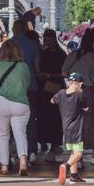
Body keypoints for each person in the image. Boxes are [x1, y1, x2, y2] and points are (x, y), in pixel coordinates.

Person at [60, 29, 94, 169]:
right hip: (88, 91)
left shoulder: (73, 55)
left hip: (73, 91)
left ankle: (77, 159)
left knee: (76, 124)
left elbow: (63, 72)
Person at [0, 39, 32, 177]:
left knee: (3, 135)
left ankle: (4, 166)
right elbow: (27, 84)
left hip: (1, 102)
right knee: (20, 134)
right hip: (20, 103)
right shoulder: (24, 66)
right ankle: (23, 162)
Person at [12, 17, 40, 164]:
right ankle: (32, 151)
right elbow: (37, 68)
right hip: (31, 86)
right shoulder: (32, 44)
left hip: (13, 89)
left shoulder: (8, 45)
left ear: (13, 29)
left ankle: (18, 152)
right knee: (31, 120)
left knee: (14, 121)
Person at [37, 27, 66, 158]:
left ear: (54, 39)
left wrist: (48, 75)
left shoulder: (61, 55)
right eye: (45, 40)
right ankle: (45, 142)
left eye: (49, 40)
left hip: (55, 89)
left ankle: (55, 145)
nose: (46, 42)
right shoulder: (43, 53)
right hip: (44, 90)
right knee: (44, 117)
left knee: (56, 118)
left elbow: (64, 73)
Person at [53, 70, 87, 183]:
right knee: (78, 153)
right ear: (80, 83)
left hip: (66, 128)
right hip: (77, 129)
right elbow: (86, 108)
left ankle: (74, 175)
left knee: (73, 151)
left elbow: (52, 100)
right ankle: (65, 166)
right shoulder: (79, 96)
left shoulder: (61, 93)